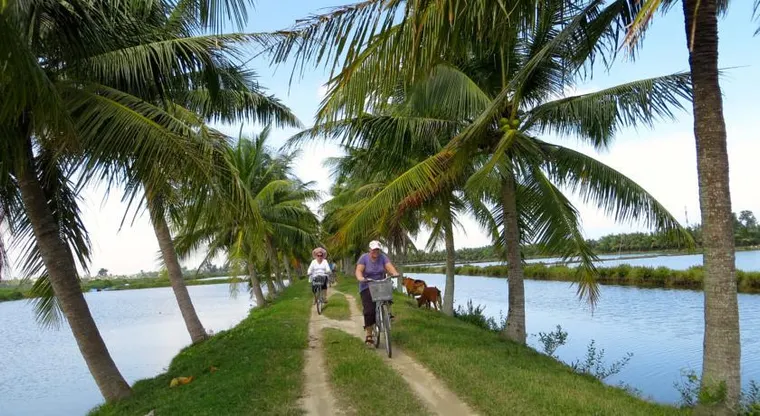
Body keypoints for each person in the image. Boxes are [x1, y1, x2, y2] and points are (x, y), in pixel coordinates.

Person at [355, 240, 400, 346]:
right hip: (367, 285)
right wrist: (361, 278)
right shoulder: (364, 258)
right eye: (374, 249)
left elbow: (389, 266)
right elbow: (359, 270)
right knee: (369, 311)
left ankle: (387, 313)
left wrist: (394, 273)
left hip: (380, 284)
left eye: (377, 249)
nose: (376, 251)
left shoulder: (383, 257)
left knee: (387, 296)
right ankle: (369, 334)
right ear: (370, 249)